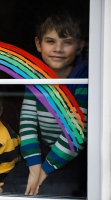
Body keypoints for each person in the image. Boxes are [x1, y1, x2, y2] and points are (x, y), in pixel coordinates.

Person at [19, 10, 88, 196]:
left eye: (67, 42)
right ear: (38, 44)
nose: (58, 49)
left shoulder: (82, 78)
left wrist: (44, 170)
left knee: (61, 191)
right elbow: (27, 123)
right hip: (41, 151)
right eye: (51, 41)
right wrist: (34, 167)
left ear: (80, 46)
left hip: (73, 156)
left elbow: (77, 133)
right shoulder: (35, 77)